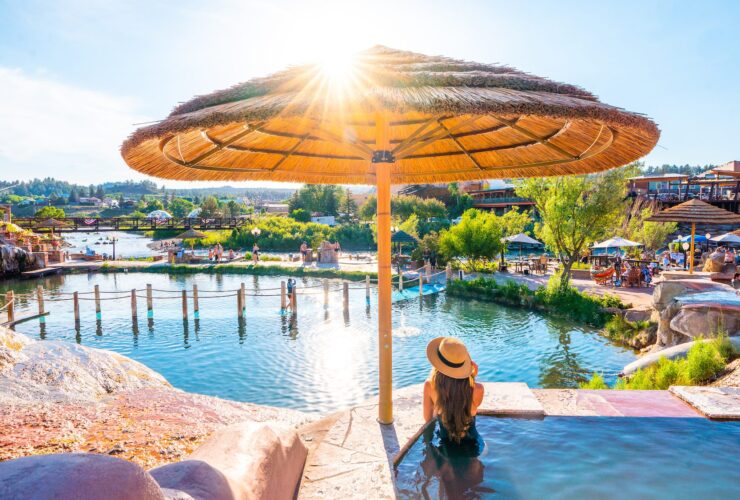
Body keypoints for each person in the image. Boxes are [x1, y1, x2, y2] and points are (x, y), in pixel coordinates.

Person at [423, 337, 485, 448]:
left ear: (438, 362)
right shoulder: (478, 389)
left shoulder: (429, 386)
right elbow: (466, 400)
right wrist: (472, 377)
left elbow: (428, 419)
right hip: (472, 443)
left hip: (445, 443)